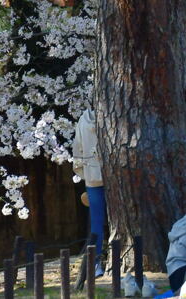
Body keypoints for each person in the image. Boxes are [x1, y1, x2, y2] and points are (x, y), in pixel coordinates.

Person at [72, 108, 106, 275]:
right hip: (115, 174)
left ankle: (96, 263)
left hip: (93, 177)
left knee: (97, 222)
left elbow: (77, 151)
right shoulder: (112, 117)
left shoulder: (83, 120)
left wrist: (86, 173)